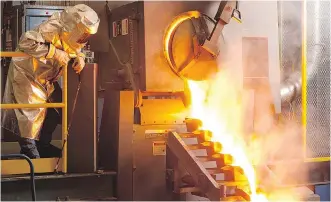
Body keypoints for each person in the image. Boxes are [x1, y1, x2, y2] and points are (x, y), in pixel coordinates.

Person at [1, 4, 100, 159]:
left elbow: (74, 48)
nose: (84, 39)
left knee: (55, 111)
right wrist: (54, 52)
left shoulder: (72, 35)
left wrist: (80, 58)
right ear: (76, 27)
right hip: (27, 74)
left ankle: (43, 146)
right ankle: (29, 153)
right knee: (29, 116)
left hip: (45, 78)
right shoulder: (53, 27)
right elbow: (26, 42)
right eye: (84, 34)